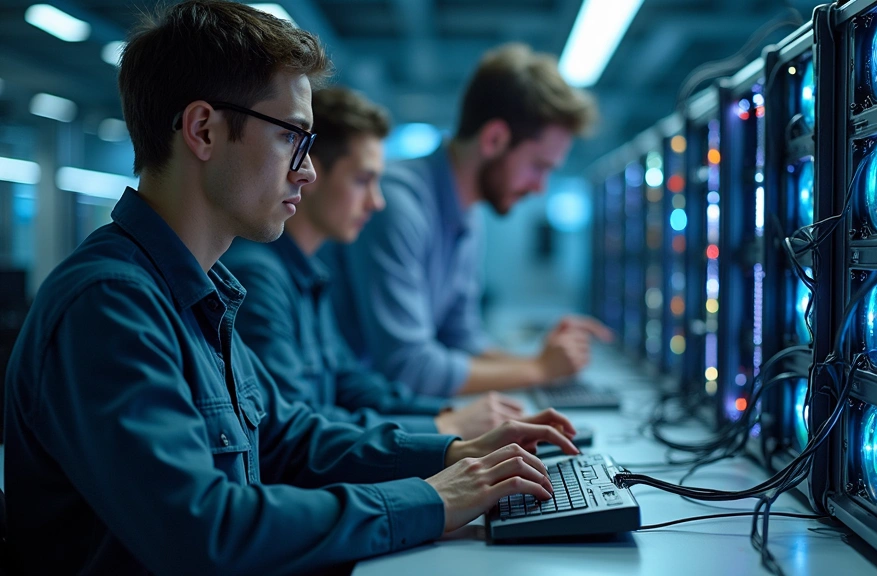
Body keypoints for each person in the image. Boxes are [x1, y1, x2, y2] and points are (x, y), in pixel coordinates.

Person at [3, 3, 576, 573]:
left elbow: (287, 439)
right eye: (291, 138)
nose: (308, 170)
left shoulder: (202, 289)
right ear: (203, 129)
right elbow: (205, 530)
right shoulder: (109, 305)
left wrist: (454, 454)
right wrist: (432, 499)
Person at [222, 86, 567, 439]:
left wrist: (450, 415)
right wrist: (443, 428)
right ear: (312, 173)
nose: (376, 203)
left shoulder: (309, 274)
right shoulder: (260, 276)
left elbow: (351, 385)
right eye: (363, 180)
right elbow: (290, 439)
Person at [324, 43, 613, 398]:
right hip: (350, 416)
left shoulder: (468, 215)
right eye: (539, 167)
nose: (540, 189)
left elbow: (461, 340)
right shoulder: (397, 205)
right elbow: (408, 368)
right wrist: (537, 369)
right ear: (494, 139)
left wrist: (545, 364)